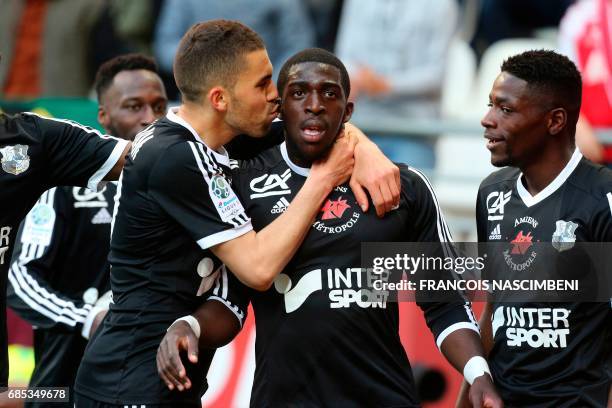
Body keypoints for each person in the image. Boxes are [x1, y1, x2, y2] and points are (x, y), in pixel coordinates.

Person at [74, 21, 399, 407]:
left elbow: (318, 124)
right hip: (128, 381)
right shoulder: (173, 157)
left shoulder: (227, 138)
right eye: (262, 85)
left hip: (175, 378)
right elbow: (259, 269)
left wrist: (366, 149)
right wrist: (323, 179)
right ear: (220, 99)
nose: (275, 97)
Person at [156, 48, 502, 408]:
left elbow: (444, 301)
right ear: (280, 107)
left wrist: (478, 373)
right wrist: (190, 326)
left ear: (348, 112)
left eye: (330, 93)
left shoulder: (402, 187)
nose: (315, 104)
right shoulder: (245, 185)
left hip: (384, 397)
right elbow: (232, 299)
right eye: (299, 93)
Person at [6, 53, 167, 407]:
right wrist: (89, 317)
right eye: (134, 106)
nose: (150, 119)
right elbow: (20, 279)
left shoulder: (178, 189)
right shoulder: (62, 188)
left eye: (159, 106)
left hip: (142, 380)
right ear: (104, 116)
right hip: (63, 385)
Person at [457, 50, 611, 406]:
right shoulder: (492, 193)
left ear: (555, 121)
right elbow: (495, 309)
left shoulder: (603, 200)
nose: (487, 119)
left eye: (505, 109)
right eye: (490, 105)